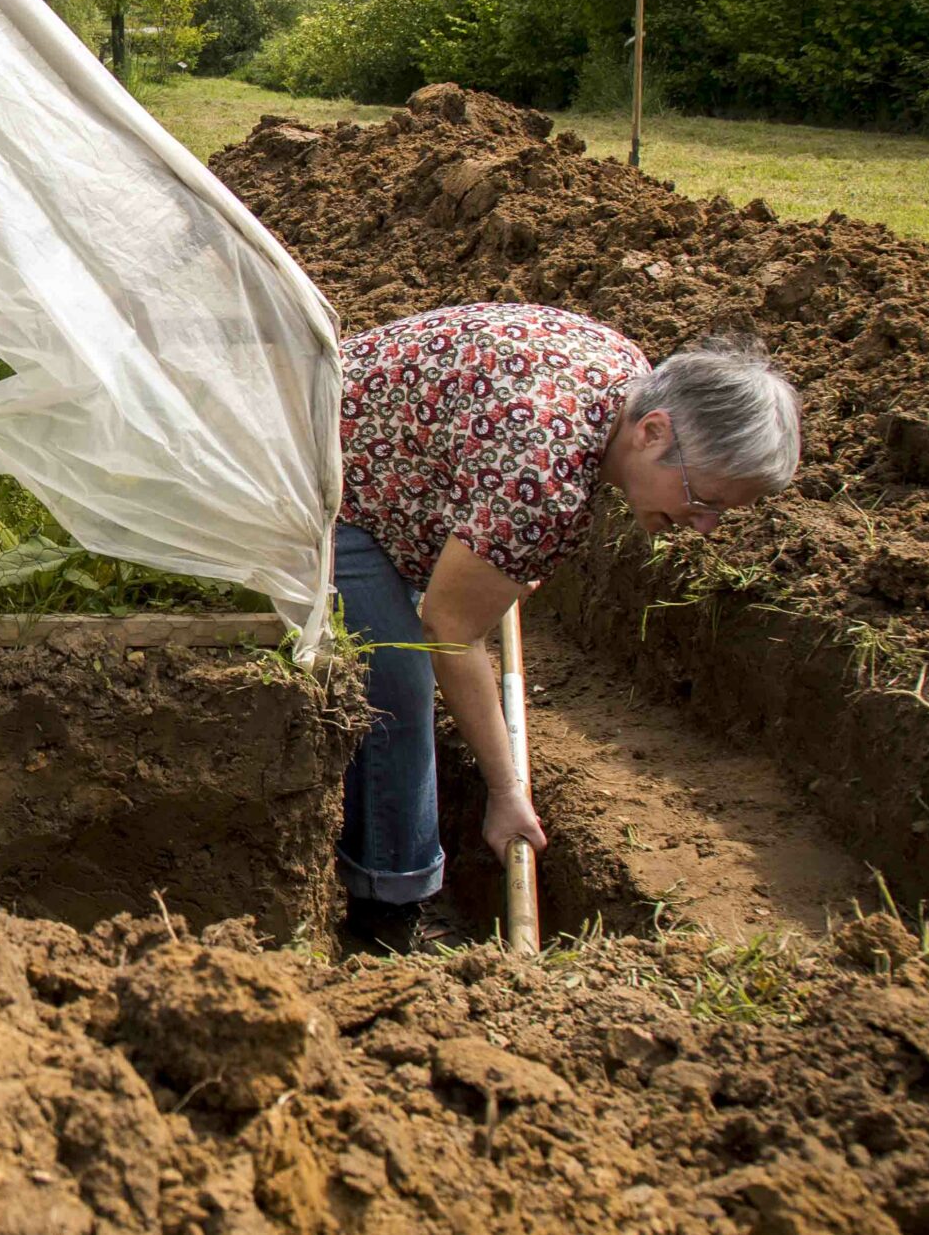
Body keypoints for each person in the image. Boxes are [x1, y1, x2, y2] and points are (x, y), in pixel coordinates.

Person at [333, 303, 802, 952]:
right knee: (400, 679)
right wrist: (504, 791)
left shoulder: (622, 370)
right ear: (655, 431)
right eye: (704, 501)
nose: (703, 528)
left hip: (369, 435)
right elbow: (449, 627)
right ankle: (388, 903)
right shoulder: (543, 485)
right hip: (321, 480)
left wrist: (499, 563)